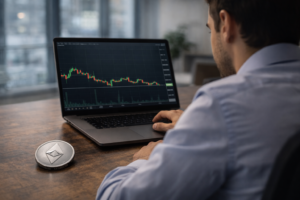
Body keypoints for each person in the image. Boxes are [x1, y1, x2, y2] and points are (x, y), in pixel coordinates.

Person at [96, 0, 300, 199]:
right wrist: (195, 127)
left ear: (225, 23)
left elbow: (113, 196)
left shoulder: (221, 105)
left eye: (210, 29)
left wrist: (145, 161)